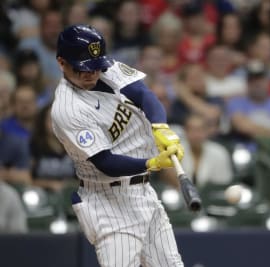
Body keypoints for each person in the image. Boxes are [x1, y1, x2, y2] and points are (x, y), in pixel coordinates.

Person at [51, 25, 185, 266]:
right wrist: (152, 163)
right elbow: (105, 163)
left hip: (142, 192)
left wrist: (160, 128)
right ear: (62, 62)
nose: (91, 73)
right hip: (108, 201)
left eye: (96, 65)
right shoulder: (67, 109)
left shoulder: (103, 66)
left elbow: (145, 96)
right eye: (83, 68)